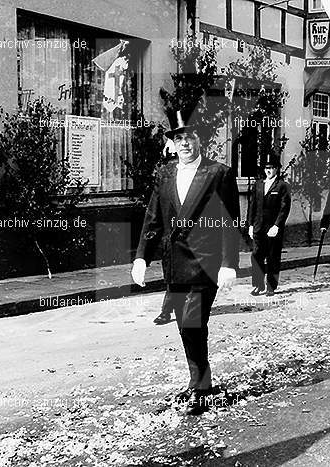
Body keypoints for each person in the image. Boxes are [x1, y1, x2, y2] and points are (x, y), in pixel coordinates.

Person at [131, 109, 240, 415]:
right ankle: (198, 381)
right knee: (185, 324)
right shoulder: (164, 174)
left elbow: (231, 221)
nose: (185, 143)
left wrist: (229, 263)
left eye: (190, 138)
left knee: (193, 321)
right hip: (174, 262)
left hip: (206, 263)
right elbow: (153, 218)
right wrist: (141, 256)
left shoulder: (219, 173)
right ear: (173, 143)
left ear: (199, 141)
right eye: (179, 138)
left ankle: (202, 386)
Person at [247, 155, 292, 297]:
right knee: (256, 256)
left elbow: (284, 208)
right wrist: (250, 225)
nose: (268, 170)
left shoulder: (282, 186)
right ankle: (258, 285)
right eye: (266, 168)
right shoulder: (258, 184)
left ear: (277, 169)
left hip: (273, 228)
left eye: (271, 168)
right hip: (258, 226)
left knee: (273, 256)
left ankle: (271, 286)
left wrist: (277, 225)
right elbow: (252, 206)